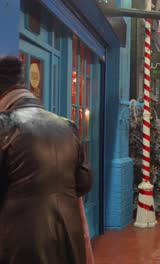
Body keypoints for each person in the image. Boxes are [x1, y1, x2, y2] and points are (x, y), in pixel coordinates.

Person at [0, 56, 93, 263]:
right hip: (69, 238)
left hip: (22, 245)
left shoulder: (6, 125)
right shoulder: (67, 126)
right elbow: (84, 183)